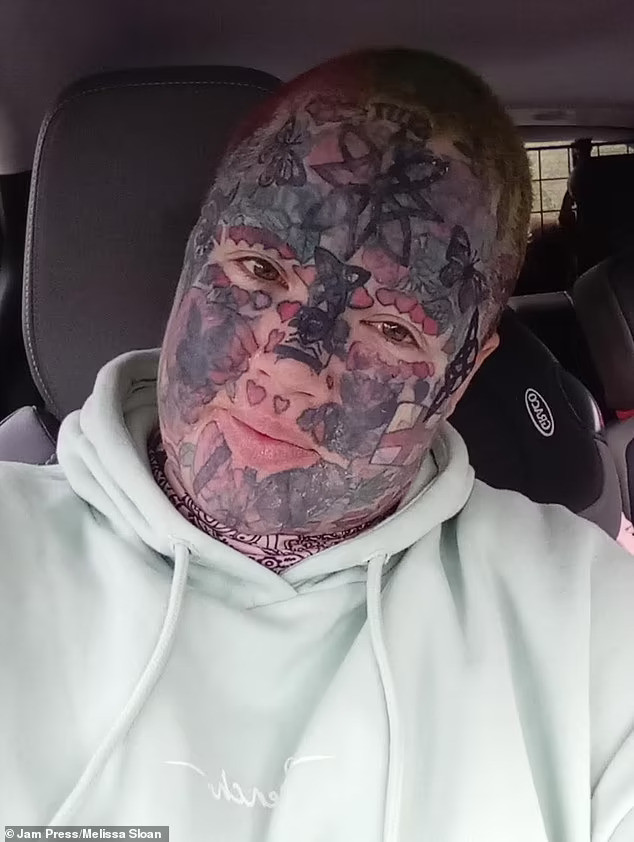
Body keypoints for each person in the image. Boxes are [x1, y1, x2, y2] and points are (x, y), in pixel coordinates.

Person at [1, 48, 633, 842]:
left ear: (463, 376)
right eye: (260, 267)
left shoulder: (590, 622)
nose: (294, 368)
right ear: (195, 257)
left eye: (393, 328)